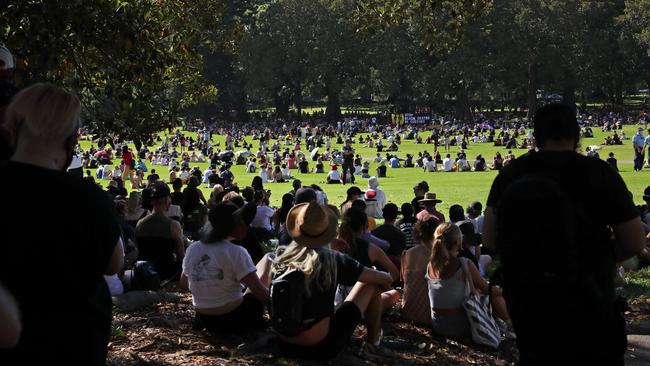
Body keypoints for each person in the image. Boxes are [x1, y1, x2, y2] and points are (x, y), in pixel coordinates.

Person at [483, 103, 645, 365]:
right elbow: (635, 242)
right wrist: (597, 257)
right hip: (590, 297)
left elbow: (490, 240)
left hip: (530, 298)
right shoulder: (599, 173)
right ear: (577, 134)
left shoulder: (511, 174)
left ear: (535, 136)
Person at [0, 83, 123, 364]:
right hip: (73, 340)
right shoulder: (90, 198)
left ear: (13, 128)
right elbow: (114, 264)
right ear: (72, 139)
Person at [268, 202, 394, 360]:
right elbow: (383, 278)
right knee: (371, 283)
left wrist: (330, 247)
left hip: (284, 343)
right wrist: (386, 282)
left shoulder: (282, 257)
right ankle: (373, 343)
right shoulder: (332, 259)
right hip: (320, 347)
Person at [181, 202, 269, 334]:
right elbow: (261, 294)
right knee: (268, 259)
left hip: (203, 317)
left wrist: (208, 286)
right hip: (234, 318)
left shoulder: (193, 248)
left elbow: (183, 283)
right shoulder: (236, 252)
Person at [426, 223, 509, 340]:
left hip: (438, 324)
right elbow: (487, 289)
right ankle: (509, 325)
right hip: (460, 327)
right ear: (459, 241)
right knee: (495, 296)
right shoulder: (463, 263)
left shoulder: (431, 265)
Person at [135, 181, 185, 280]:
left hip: (144, 273)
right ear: (167, 201)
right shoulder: (173, 225)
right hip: (167, 273)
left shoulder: (140, 223)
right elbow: (181, 256)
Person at [401, 217, 439, 325]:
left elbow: (404, 280)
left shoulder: (407, 254)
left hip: (408, 311)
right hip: (430, 316)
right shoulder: (439, 256)